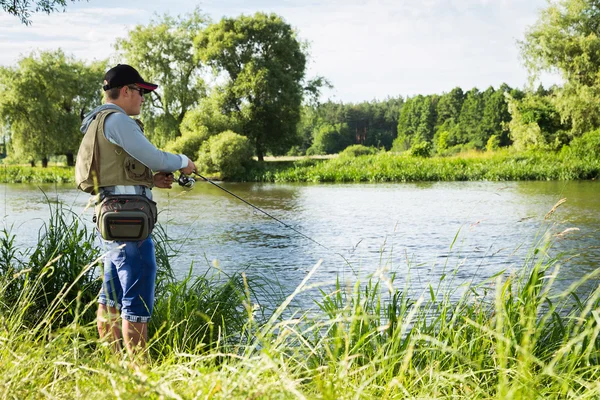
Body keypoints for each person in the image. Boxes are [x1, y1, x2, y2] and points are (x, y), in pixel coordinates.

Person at [75, 64, 196, 357]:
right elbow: (152, 156)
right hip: (129, 222)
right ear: (126, 90)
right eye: (141, 92)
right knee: (137, 291)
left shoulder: (96, 120)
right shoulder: (117, 120)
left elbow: (112, 174)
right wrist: (183, 161)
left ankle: (114, 365)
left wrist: (149, 181)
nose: (143, 98)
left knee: (111, 294)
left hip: (111, 217)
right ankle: (138, 374)